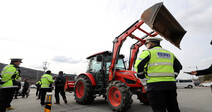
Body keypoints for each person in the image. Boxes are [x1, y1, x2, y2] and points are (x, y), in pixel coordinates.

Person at [134, 37, 182, 112]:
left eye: (146, 44)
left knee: (159, 109)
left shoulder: (148, 52)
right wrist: (173, 76)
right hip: (170, 85)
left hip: (154, 86)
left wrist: (141, 76)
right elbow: (179, 66)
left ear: (150, 43)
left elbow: (138, 65)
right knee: (173, 108)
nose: (146, 46)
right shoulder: (169, 53)